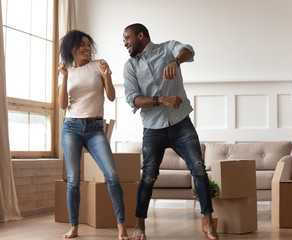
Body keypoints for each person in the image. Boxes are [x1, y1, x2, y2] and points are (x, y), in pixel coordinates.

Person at [122, 23, 219, 240]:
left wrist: (176, 61)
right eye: (123, 41)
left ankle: (209, 224)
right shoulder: (130, 67)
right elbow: (133, 99)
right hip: (152, 129)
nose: (125, 44)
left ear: (141, 35)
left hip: (181, 123)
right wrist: (162, 100)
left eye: (127, 38)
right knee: (147, 176)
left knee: (199, 170)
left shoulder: (168, 49)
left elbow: (188, 50)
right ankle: (140, 226)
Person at [58, 30, 129, 240]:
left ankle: (122, 227)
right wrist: (64, 77)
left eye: (89, 44)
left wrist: (107, 77)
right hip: (71, 127)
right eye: (82, 45)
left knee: (112, 175)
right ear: (72, 48)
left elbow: (111, 96)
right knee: (73, 180)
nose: (87, 48)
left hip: (95, 128)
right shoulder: (66, 71)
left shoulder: (99, 65)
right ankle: (74, 227)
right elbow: (63, 105)